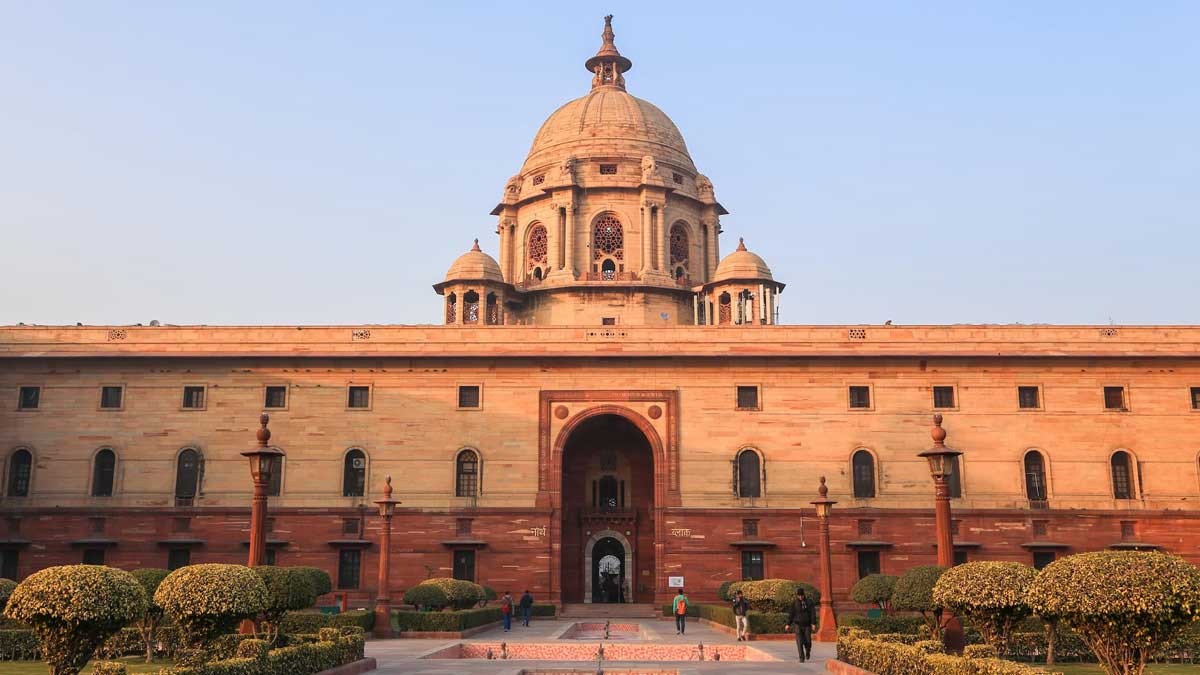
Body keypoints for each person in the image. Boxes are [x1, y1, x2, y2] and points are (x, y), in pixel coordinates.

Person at [784, 587, 815, 662]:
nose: (800, 597)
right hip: (798, 624)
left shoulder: (809, 602)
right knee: (799, 641)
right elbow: (791, 614)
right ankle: (801, 657)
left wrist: (813, 623)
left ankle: (807, 652)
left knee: (808, 641)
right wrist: (788, 624)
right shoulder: (794, 603)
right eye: (799, 596)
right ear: (797, 596)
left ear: (804, 595)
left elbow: (812, 613)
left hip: (807, 625)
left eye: (802, 595)